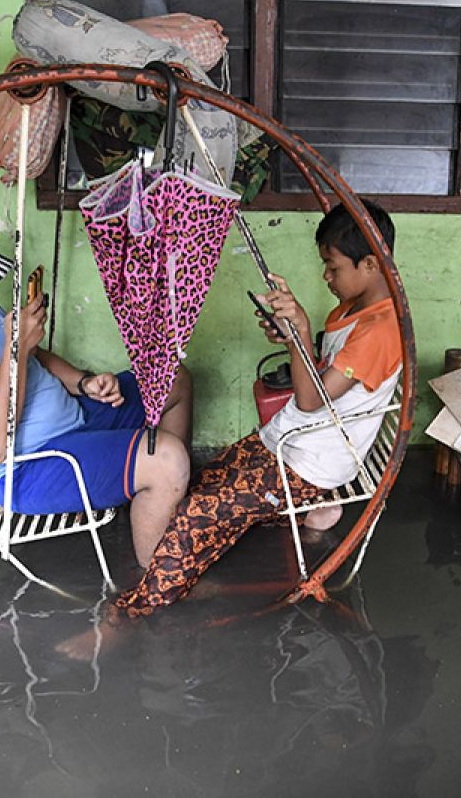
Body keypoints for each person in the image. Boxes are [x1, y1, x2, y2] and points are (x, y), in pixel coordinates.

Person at [114, 200, 402, 617]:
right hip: (295, 439)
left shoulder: (380, 330)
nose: (326, 277)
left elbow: (310, 398)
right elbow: (319, 377)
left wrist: (300, 330)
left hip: (313, 461)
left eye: (333, 267)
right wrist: (290, 336)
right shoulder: (354, 311)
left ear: (371, 266)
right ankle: (313, 511)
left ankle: (133, 610)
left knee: (199, 513)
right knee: (206, 479)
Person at [0, 211, 191, 567]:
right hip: (32, 466)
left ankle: (164, 510)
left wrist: (82, 382)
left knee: (173, 379)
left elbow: (34, 358)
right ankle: (157, 584)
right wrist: (15, 350)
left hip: (75, 415)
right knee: (166, 459)